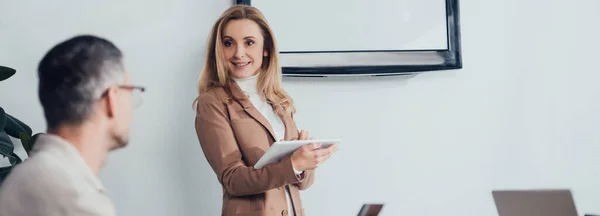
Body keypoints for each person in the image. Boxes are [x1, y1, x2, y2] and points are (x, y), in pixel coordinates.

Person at [194, 5, 338, 216]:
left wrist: (306, 160)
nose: (238, 53)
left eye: (249, 42)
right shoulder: (212, 103)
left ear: (266, 48)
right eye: (228, 43)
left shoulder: (277, 100)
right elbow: (233, 180)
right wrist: (294, 163)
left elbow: (302, 184)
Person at [0, 35, 145, 216]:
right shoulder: (74, 198)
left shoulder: (35, 176)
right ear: (112, 99)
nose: (131, 106)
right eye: (130, 92)